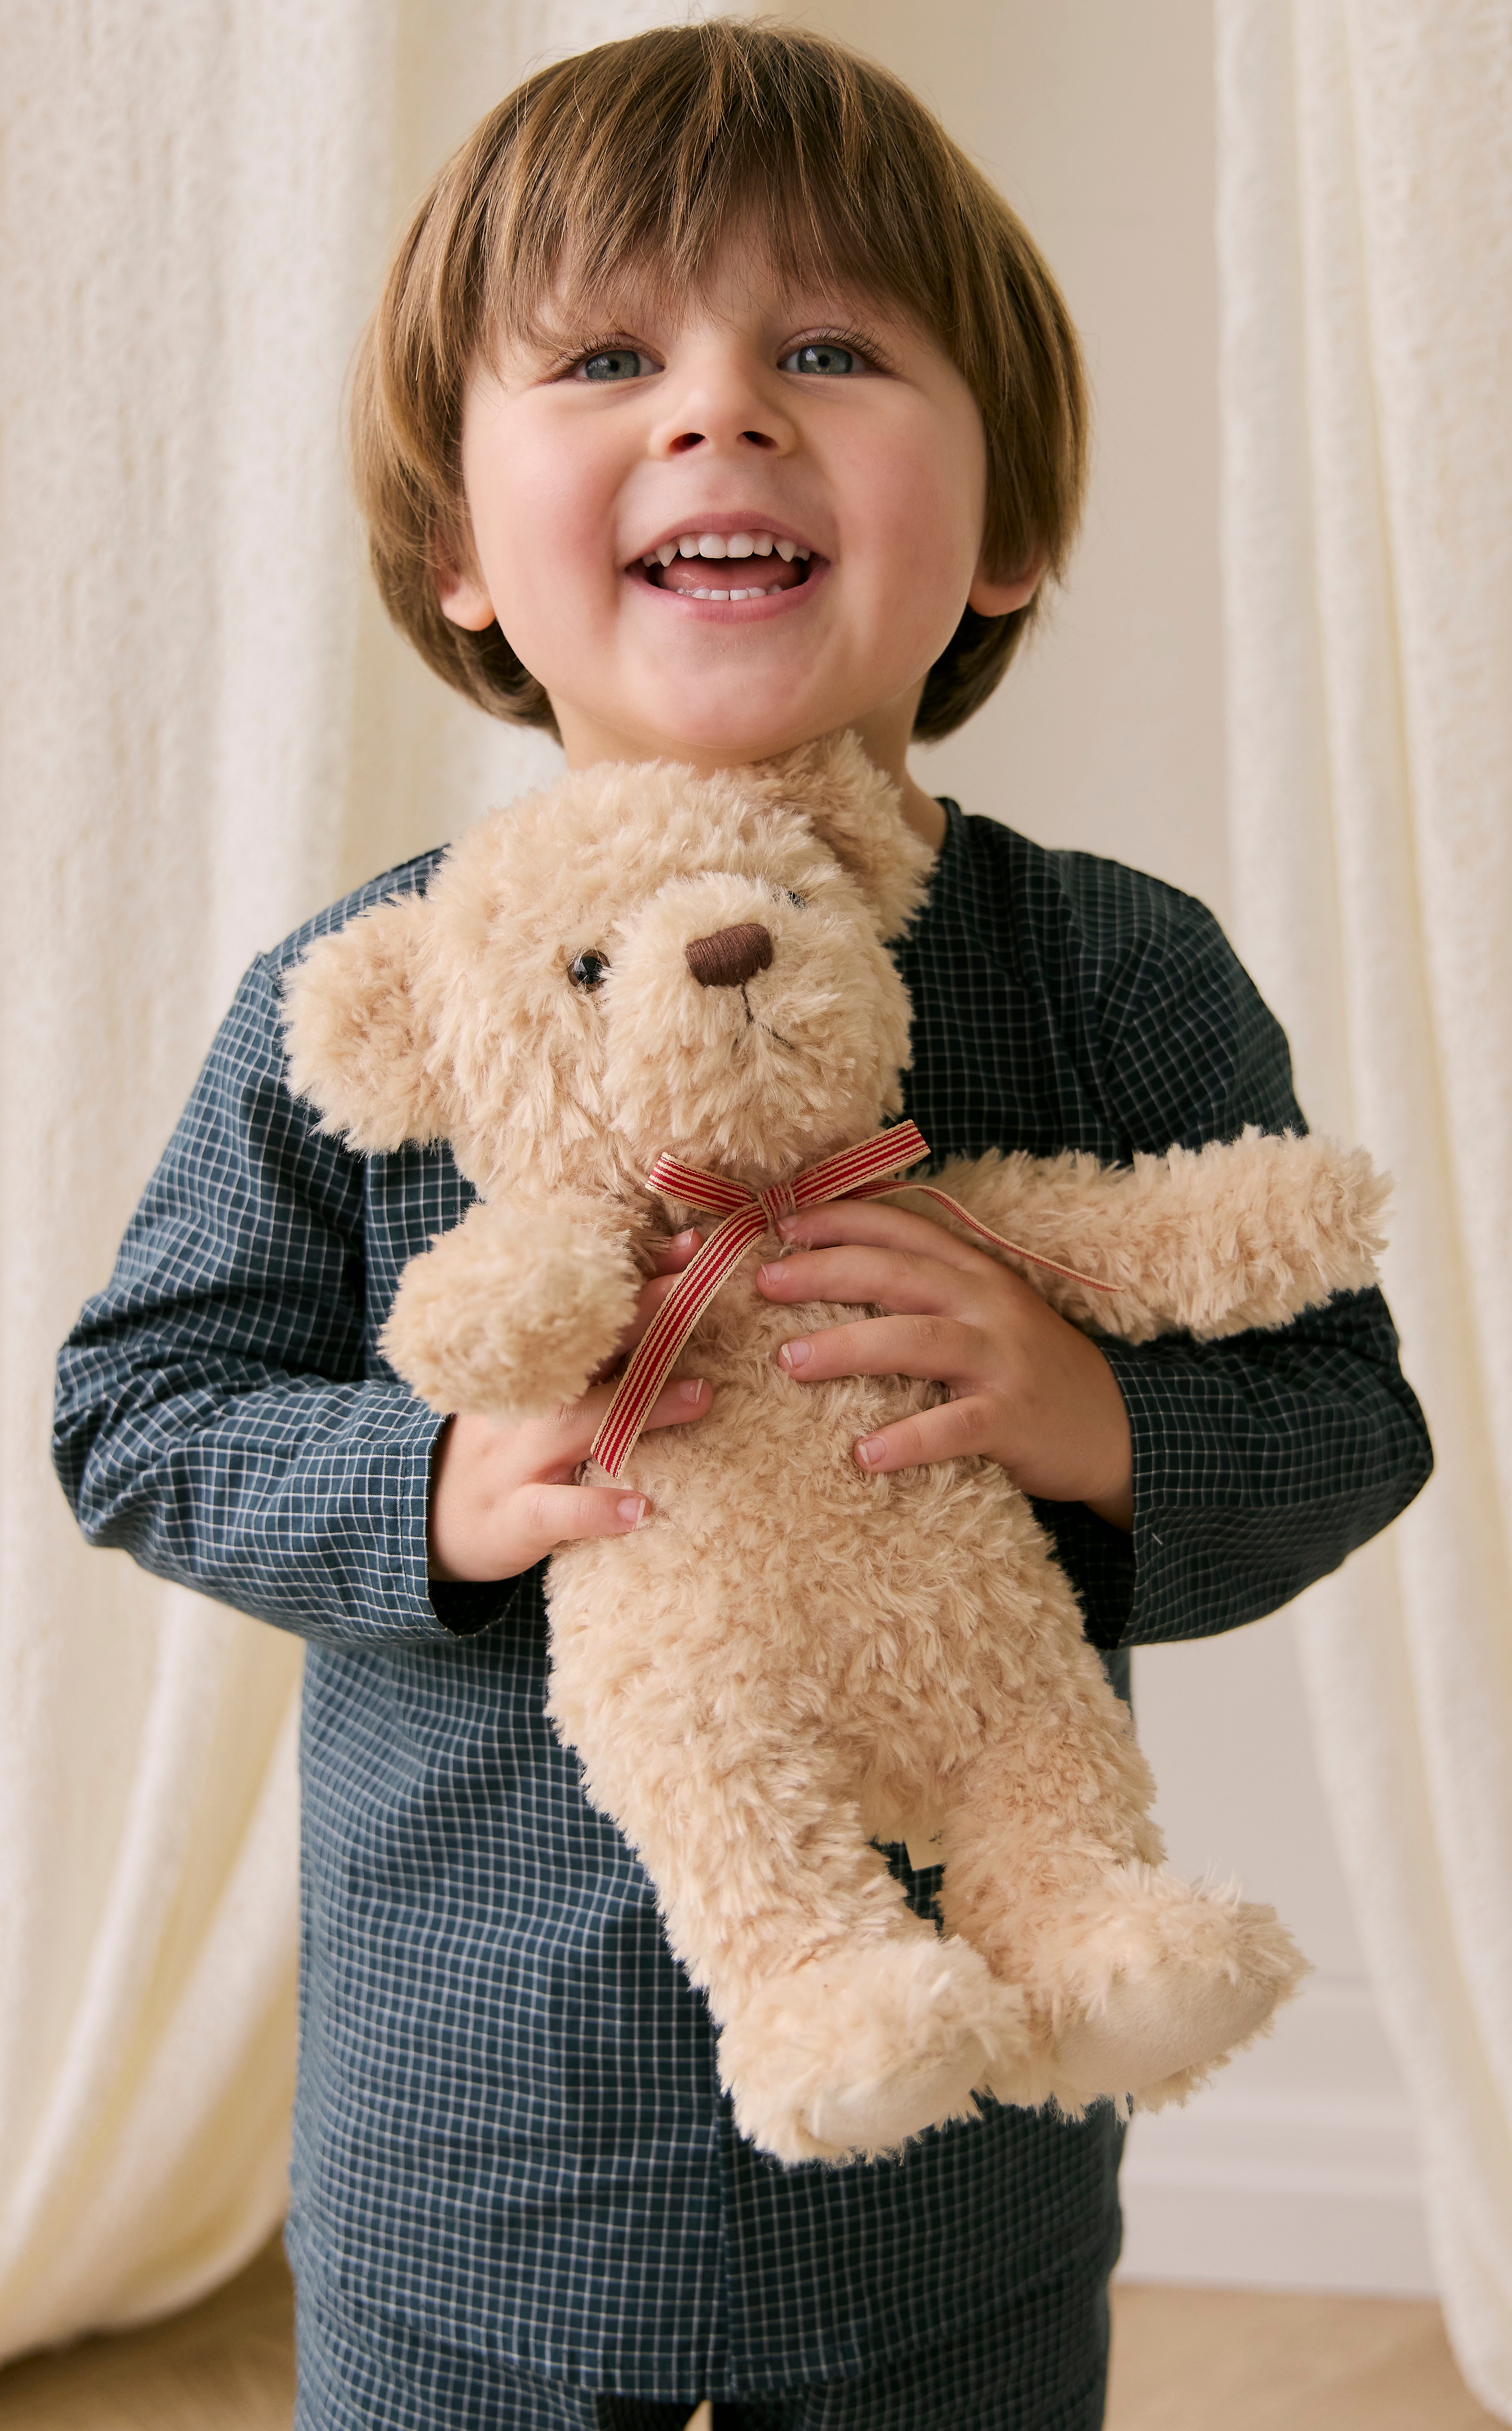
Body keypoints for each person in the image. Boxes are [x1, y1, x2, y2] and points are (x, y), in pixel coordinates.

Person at [52, 23, 1432, 2431]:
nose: (721, 415)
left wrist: (1094, 1408)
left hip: (963, 2156)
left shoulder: (1104, 973)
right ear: (459, 559)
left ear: (999, 534)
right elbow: (138, 1408)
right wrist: (432, 1491)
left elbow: (1344, 1410)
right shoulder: (377, 999)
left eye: (825, 350)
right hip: (477, 2149)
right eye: (607, 359)